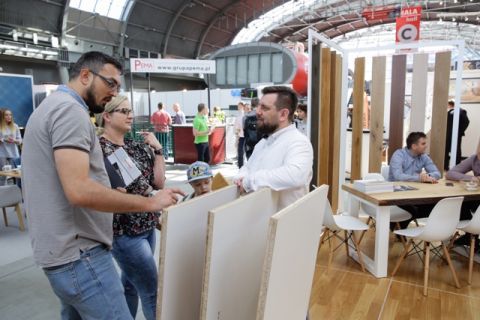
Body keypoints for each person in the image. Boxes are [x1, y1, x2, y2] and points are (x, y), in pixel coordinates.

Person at [21, 51, 184, 320]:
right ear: (86, 75)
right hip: (80, 254)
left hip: (63, 252)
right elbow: (78, 190)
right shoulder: (69, 111)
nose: (114, 92)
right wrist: (152, 203)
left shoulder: (53, 107)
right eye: (110, 84)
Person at [96, 95, 165, 320]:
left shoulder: (135, 146)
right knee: (152, 291)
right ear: (106, 116)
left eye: (130, 111)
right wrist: (156, 199)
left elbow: (159, 182)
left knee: (131, 285)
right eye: (124, 111)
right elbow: (140, 187)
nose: (130, 115)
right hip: (125, 233)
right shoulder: (100, 148)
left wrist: (158, 151)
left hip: (146, 225)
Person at [234, 85, 313, 210]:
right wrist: (241, 177)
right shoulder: (262, 144)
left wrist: (250, 181)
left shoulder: (298, 142)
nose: (258, 111)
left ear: (283, 114)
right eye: (259, 106)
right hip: (258, 222)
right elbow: (248, 167)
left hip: (284, 226)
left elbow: (294, 175)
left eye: (264, 108)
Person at [389, 131, 441, 228]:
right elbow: (398, 176)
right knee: (413, 209)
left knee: (434, 206)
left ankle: (398, 226)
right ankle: (397, 227)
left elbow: (437, 173)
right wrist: (419, 178)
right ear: (414, 146)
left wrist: (427, 176)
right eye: (423, 144)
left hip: (415, 193)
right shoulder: (399, 155)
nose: (426, 146)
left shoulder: (423, 157)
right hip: (395, 194)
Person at [445, 99, 470, 170]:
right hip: (447, 134)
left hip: (456, 134)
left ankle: (457, 167)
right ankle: (445, 166)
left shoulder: (461, 111)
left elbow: (466, 122)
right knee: (446, 149)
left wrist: (460, 131)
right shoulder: (447, 112)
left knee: (456, 150)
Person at [235, 101, 246, 168]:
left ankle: (241, 166)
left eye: (239, 105)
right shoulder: (240, 115)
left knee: (241, 151)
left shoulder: (241, 115)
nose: (238, 107)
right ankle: (241, 165)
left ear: (242, 106)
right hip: (242, 136)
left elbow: (238, 127)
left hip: (243, 136)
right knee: (241, 152)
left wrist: (237, 136)